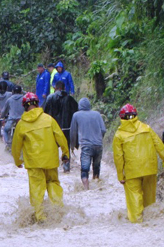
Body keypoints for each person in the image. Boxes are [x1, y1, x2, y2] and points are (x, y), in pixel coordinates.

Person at [11, 92, 69, 222]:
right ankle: (57, 213)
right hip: (51, 160)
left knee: (37, 189)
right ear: (37, 104)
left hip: (33, 163)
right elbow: (61, 137)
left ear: (24, 107)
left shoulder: (21, 124)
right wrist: (66, 153)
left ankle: (40, 217)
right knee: (53, 183)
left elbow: (16, 146)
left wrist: (17, 160)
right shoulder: (48, 119)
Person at [112, 104, 164, 223]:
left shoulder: (119, 135)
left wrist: (120, 175)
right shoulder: (146, 128)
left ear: (121, 117)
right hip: (150, 168)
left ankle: (137, 222)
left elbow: (118, 157)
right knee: (149, 198)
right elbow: (159, 145)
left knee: (134, 196)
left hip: (132, 171)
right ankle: (151, 219)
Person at [70, 98, 106, 190]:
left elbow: (73, 132)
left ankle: (86, 189)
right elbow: (103, 130)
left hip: (86, 146)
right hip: (98, 145)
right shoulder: (97, 114)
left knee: (85, 168)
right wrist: (99, 139)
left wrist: (72, 145)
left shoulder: (76, 115)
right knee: (96, 167)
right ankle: (97, 185)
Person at [44, 81, 78, 172]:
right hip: (67, 128)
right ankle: (66, 167)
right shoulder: (70, 99)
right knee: (65, 147)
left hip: (53, 128)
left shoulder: (50, 98)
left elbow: (45, 113)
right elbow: (76, 112)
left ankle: (51, 167)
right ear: (64, 88)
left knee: (52, 146)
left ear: (55, 88)